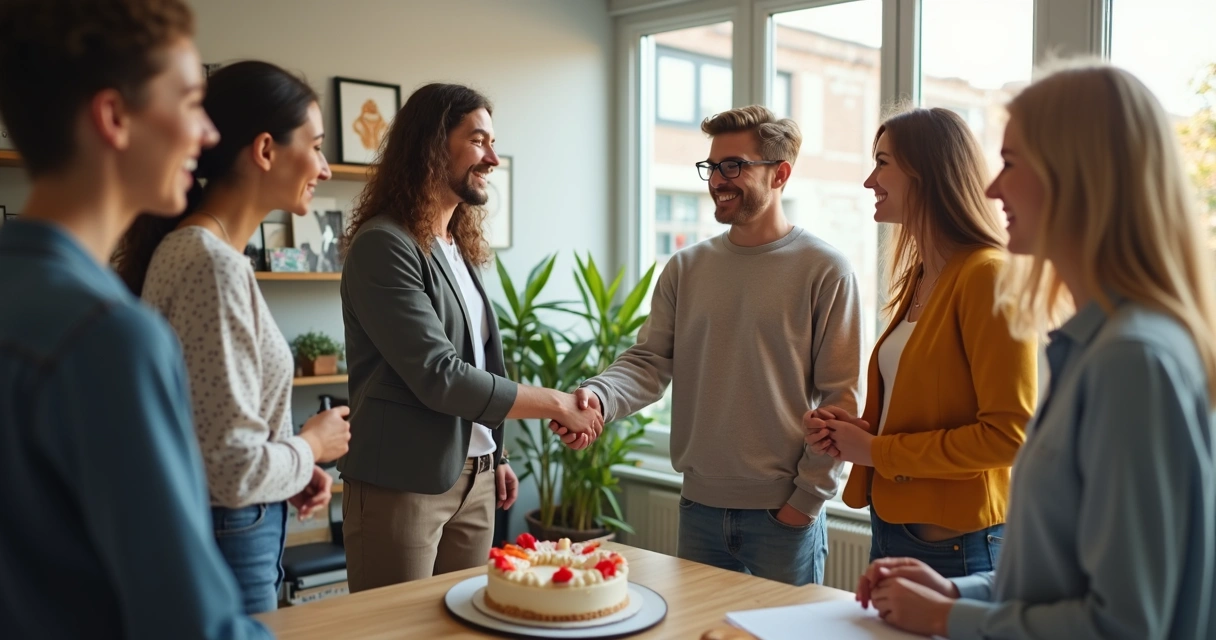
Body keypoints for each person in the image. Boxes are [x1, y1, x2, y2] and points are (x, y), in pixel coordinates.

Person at [858, 61, 1216, 640]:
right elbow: (1068, 572)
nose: (994, 188)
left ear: (1080, 177)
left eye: (1012, 163)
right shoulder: (1095, 346)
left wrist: (951, 616)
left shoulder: (1132, 362)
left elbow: (1124, 624)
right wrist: (960, 590)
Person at [0, 0, 270, 637]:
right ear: (114, 117)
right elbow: (191, 624)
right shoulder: (107, 338)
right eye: (189, 101)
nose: (206, 134)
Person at [564, 105, 864, 586]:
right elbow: (648, 363)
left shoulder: (826, 269)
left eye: (734, 166)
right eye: (712, 166)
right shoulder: (686, 267)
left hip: (783, 515)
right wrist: (598, 397)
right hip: (698, 509)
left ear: (780, 173)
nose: (717, 180)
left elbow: (841, 400)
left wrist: (803, 504)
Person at [338, 83, 603, 591]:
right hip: (404, 483)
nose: (493, 159)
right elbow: (440, 375)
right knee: (397, 632)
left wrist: (493, 453)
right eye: (479, 141)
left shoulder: (457, 245)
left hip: (479, 480)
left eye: (493, 143)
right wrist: (556, 404)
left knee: (463, 627)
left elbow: (479, 362)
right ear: (433, 146)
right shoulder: (383, 245)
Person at [114, 60, 353, 614]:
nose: (322, 167)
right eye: (315, 146)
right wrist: (311, 444)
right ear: (265, 150)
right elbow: (231, 469)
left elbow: (210, 437)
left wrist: (291, 472)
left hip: (232, 523)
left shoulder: (202, 252)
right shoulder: (210, 264)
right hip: (230, 534)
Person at [804, 108, 1037, 579]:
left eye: (883, 162)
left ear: (927, 173)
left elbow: (1009, 436)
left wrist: (875, 452)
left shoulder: (987, 275)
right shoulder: (923, 276)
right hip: (893, 525)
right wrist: (858, 431)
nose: (870, 180)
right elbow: (924, 407)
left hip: (960, 547)